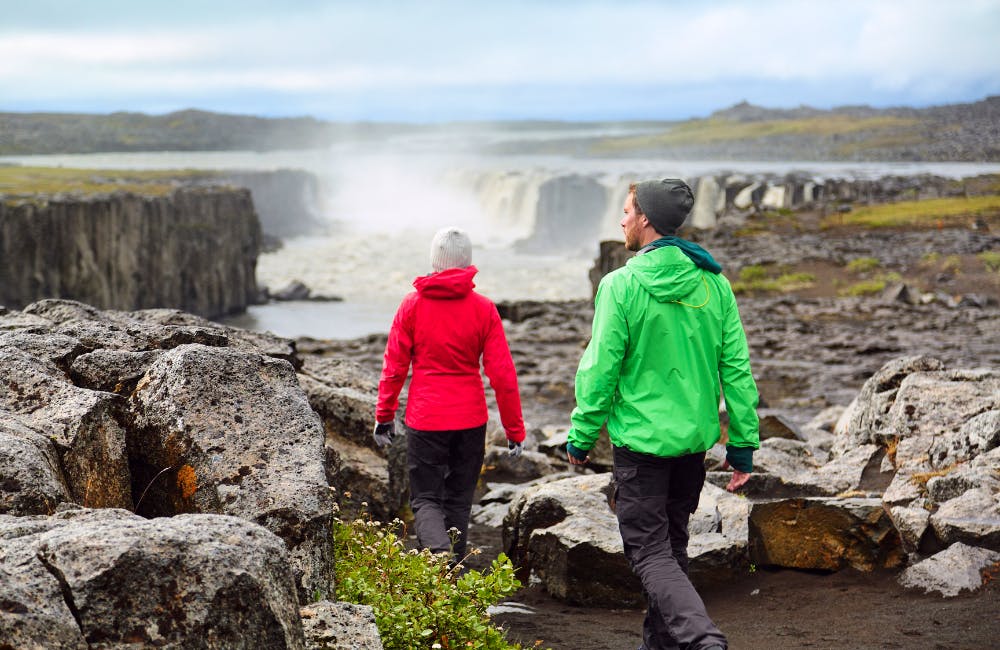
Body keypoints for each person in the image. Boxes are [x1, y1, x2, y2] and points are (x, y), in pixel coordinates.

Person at [565, 179, 759, 650]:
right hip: (691, 449)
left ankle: (702, 637)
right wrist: (742, 446)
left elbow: (600, 367)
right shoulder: (714, 284)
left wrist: (581, 435)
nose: (622, 219)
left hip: (642, 450)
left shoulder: (622, 285)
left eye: (628, 210)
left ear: (646, 219)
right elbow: (736, 369)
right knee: (670, 552)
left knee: (650, 554)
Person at [373, 226, 526, 563]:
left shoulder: (412, 305)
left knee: (425, 498)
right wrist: (515, 431)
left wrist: (384, 416)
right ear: (468, 263)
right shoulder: (484, 309)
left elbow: (394, 366)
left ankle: (438, 554)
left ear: (434, 261)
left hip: (426, 418)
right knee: (458, 498)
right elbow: (503, 376)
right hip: (470, 419)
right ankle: (451, 568)